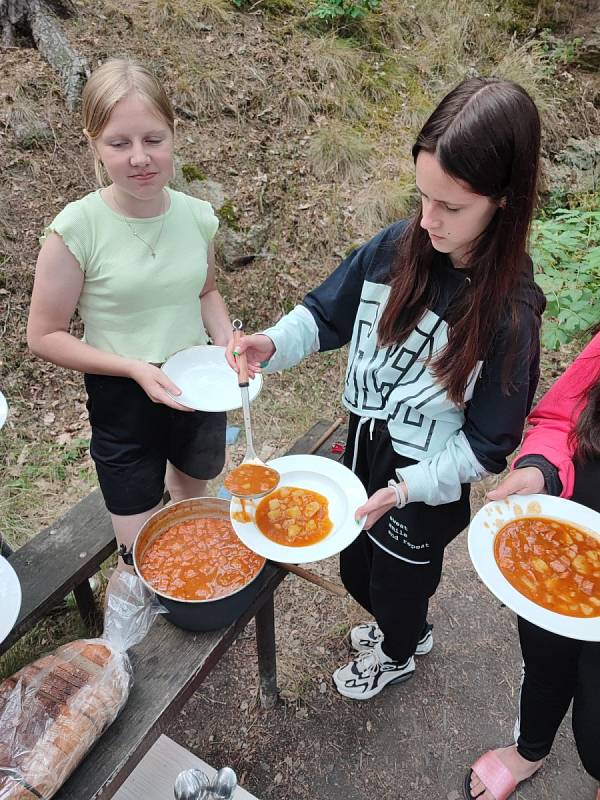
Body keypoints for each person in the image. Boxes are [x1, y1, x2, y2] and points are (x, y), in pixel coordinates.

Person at [226, 77, 546, 700]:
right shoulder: (400, 247)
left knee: (399, 582)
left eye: (451, 207)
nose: (428, 221)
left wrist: (404, 490)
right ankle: (403, 627)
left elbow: (485, 448)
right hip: (365, 449)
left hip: (426, 481)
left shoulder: (510, 314)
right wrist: (271, 341)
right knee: (357, 565)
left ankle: (400, 649)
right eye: (423, 197)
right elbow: (326, 313)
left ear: (504, 199)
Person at [27, 59, 232, 559]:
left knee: (192, 498)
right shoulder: (77, 228)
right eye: (119, 143)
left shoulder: (197, 216)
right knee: (139, 545)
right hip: (122, 395)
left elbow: (205, 292)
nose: (140, 158)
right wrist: (133, 369)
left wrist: (227, 344)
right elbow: (44, 334)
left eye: (153, 139)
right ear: (94, 143)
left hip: (197, 382)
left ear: (173, 134)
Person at [464, 330, 600, 800]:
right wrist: (542, 469)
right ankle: (530, 750)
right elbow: (561, 419)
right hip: (564, 556)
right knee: (544, 661)